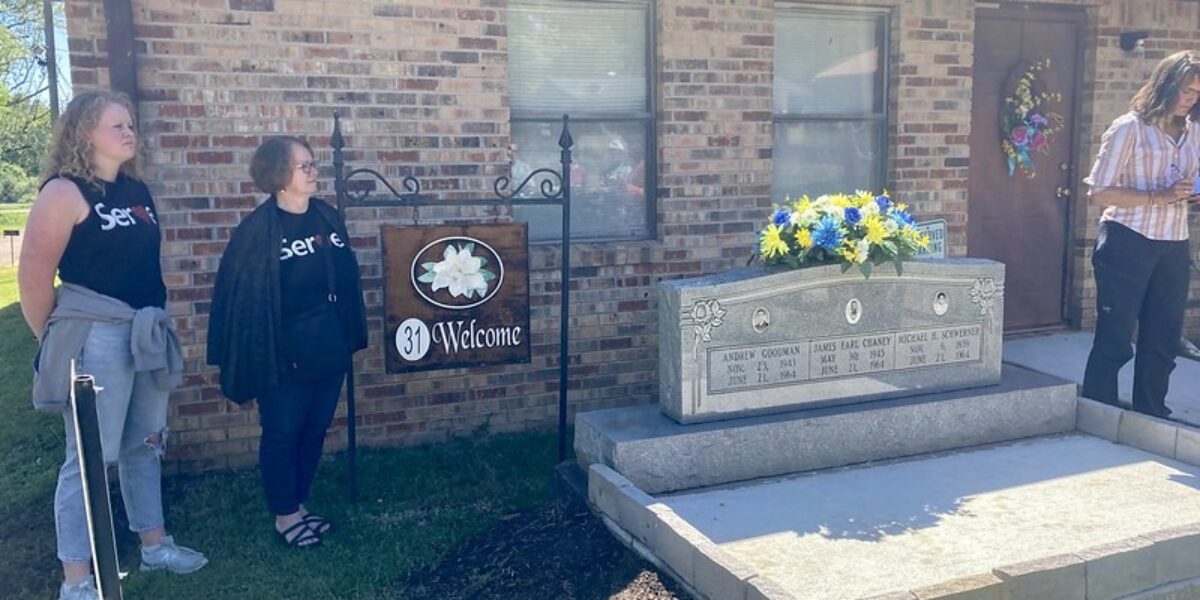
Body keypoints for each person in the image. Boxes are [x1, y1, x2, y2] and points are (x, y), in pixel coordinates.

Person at [18, 91, 207, 600]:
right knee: (87, 458)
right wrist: (53, 341)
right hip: (93, 332)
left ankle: (154, 543)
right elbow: (33, 278)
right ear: (85, 134)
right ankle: (76, 580)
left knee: (145, 442)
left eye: (130, 124)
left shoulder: (137, 190)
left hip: (143, 331)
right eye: (115, 125)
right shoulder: (64, 192)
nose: (129, 132)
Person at [207, 136, 368, 549]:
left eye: (314, 164)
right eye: (304, 166)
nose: (314, 172)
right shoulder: (257, 232)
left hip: (327, 346)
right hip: (281, 353)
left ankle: (298, 503)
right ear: (280, 176)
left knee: (315, 429)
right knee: (283, 431)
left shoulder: (327, 218)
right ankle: (285, 515)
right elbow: (239, 297)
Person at [1082, 50, 1200, 418]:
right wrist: (1157, 196)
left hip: (1174, 242)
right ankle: (1098, 408)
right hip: (1126, 239)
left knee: (1164, 334)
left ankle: (1152, 411)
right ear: (1165, 85)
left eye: (1196, 93)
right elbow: (1099, 191)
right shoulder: (1128, 128)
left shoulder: (1195, 131)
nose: (1190, 99)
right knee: (1116, 331)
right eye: (1185, 90)